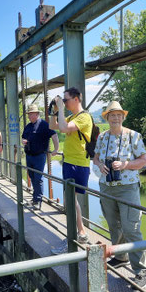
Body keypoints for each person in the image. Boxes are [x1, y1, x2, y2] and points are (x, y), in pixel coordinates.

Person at [93, 101, 146, 289]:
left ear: (123, 117)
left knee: (131, 227)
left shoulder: (134, 136)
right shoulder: (102, 137)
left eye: (118, 115)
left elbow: (143, 161)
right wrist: (100, 165)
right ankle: (121, 256)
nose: (115, 118)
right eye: (112, 115)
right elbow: (96, 157)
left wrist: (125, 165)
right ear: (107, 118)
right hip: (106, 186)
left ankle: (141, 271)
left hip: (128, 187)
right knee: (114, 224)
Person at [49, 87, 92, 254]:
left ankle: (73, 238)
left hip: (78, 164)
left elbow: (65, 129)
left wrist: (60, 108)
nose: (64, 103)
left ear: (77, 99)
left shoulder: (84, 117)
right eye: (63, 101)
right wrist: (55, 110)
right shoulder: (72, 116)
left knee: (70, 201)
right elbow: (54, 126)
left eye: (66, 100)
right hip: (69, 162)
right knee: (71, 201)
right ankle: (80, 233)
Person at [21, 104, 59, 210]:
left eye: (31, 114)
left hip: (39, 156)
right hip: (29, 155)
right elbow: (23, 137)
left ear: (37, 114)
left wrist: (56, 149)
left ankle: (38, 200)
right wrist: (23, 141)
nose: (29, 116)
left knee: (38, 178)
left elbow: (54, 135)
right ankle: (35, 199)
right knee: (32, 177)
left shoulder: (44, 124)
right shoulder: (28, 126)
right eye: (29, 114)